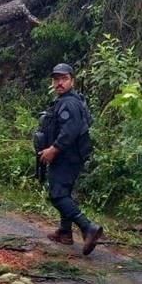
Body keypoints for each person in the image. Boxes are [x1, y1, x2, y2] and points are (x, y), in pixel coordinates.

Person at [37, 63, 104, 256]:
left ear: (72, 81)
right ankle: (65, 233)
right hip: (70, 155)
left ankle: (88, 228)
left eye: (63, 79)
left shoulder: (69, 103)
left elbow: (70, 131)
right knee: (63, 190)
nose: (59, 83)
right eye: (56, 79)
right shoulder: (67, 100)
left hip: (67, 156)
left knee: (57, 195)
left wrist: (53, 149)